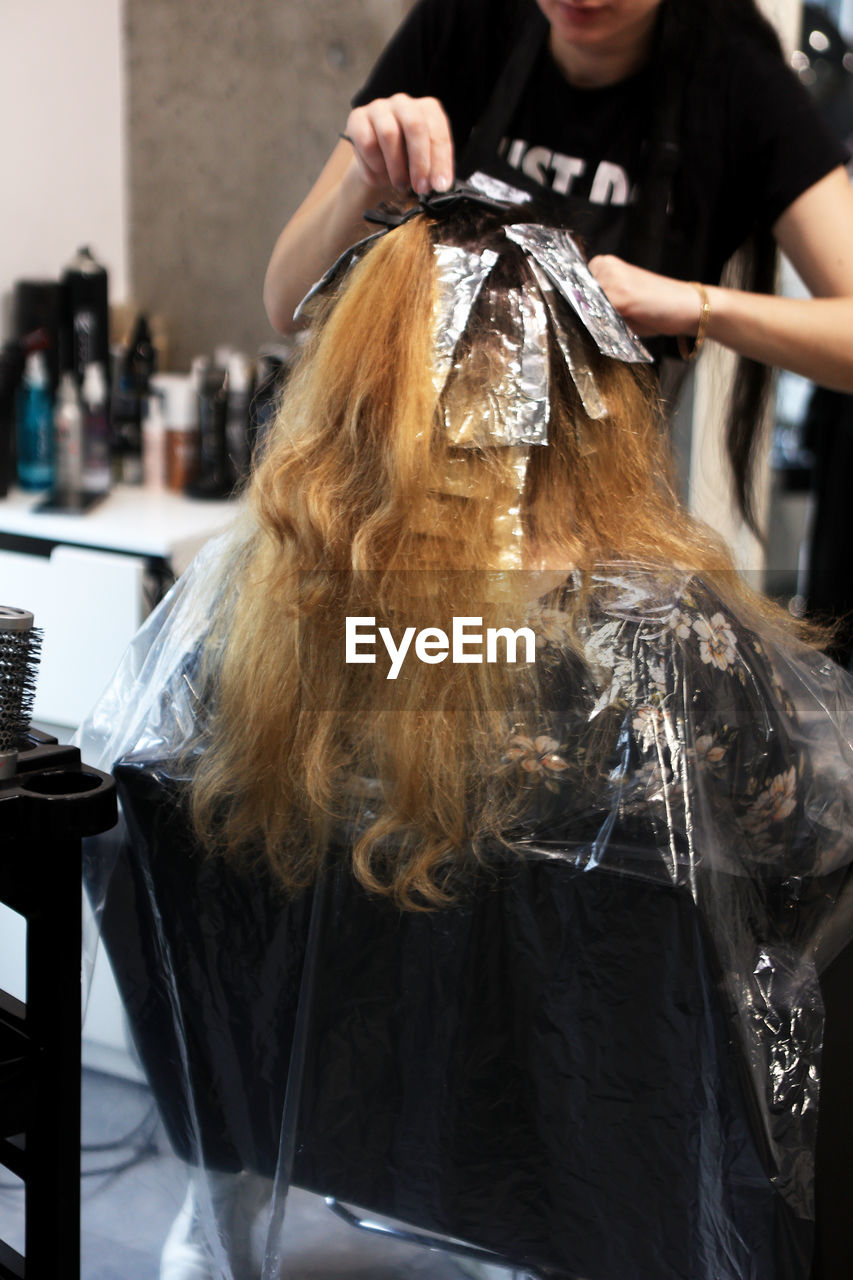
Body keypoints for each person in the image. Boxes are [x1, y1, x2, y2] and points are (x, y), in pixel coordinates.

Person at [80, 191, 853, 1280]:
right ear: (593, 395)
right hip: (591, 1169)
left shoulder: (243, 612)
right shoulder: (669, 651)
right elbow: (810, 858)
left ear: (351, 374)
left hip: (348, 1147)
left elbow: (152, 822)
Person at [263, 0, 853, 529]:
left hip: (591, 528)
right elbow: (286, 302)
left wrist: (695, 304)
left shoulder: (737, 81)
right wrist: (362, 184)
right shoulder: (462, 23)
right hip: (404, 507)